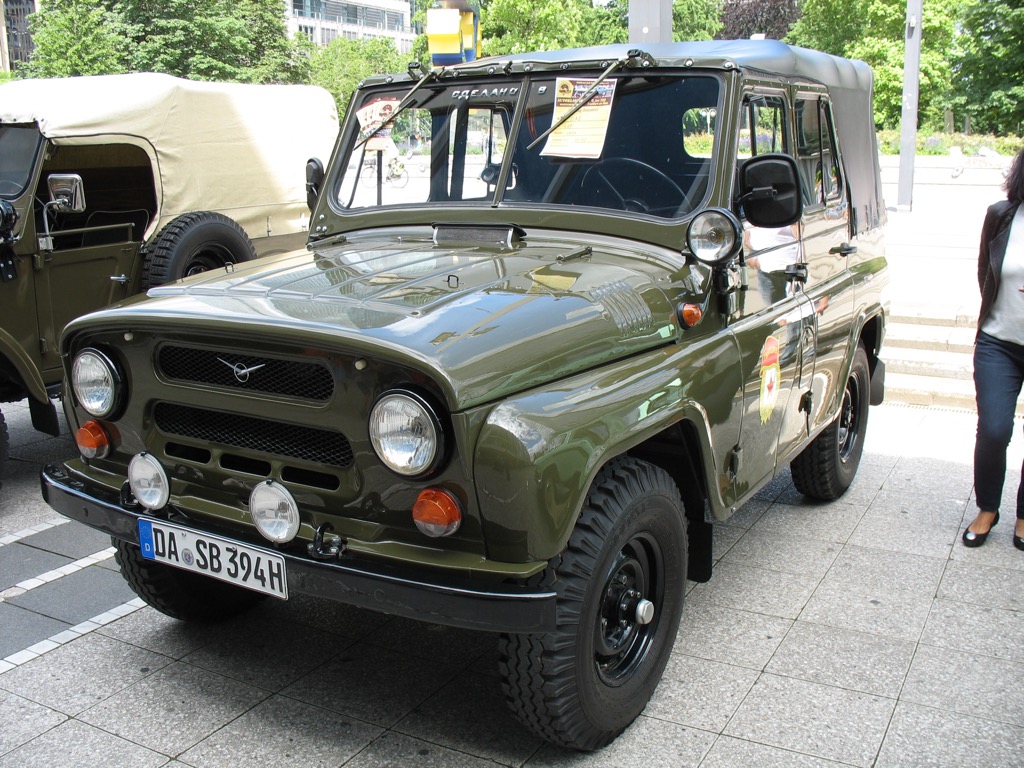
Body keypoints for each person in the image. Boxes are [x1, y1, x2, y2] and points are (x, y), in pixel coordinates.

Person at [963, 146, 1024, 550]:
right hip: (998, 342)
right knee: (994, 429)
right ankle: (988, 507)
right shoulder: (1002, 214)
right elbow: (985, 268)